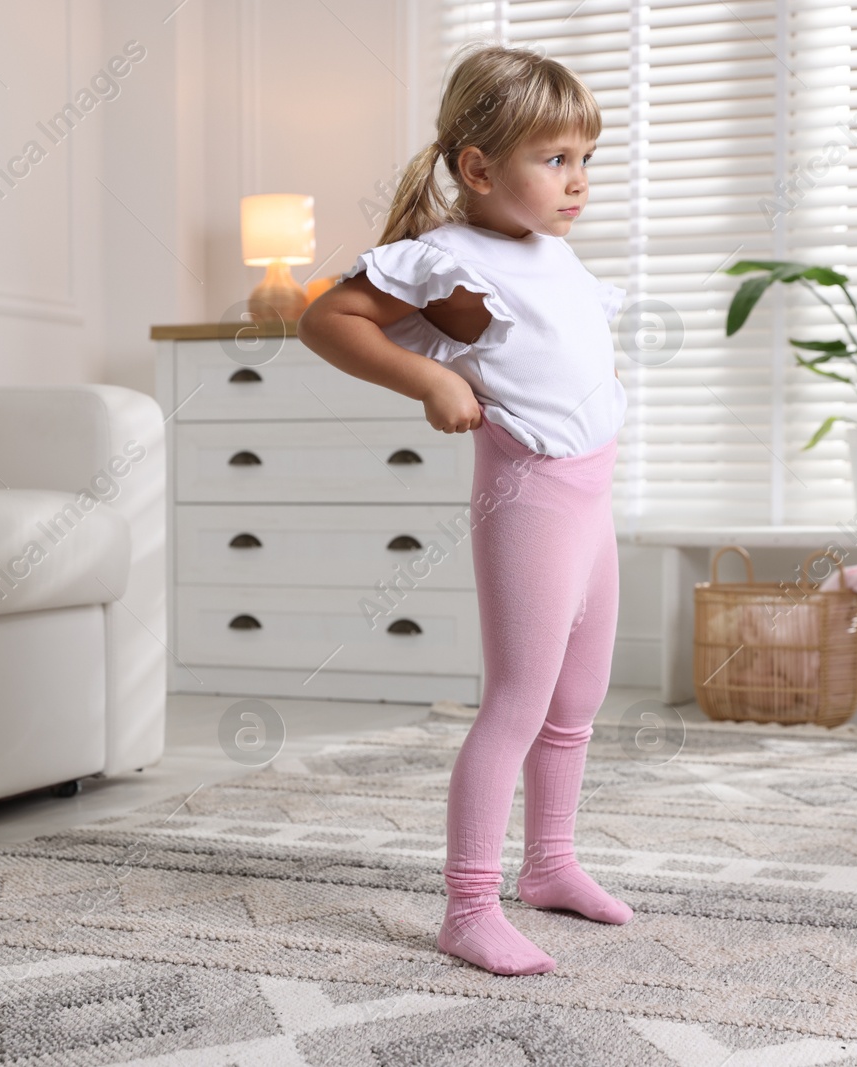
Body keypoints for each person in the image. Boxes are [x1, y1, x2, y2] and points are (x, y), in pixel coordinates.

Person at [296, 41, 631, 976]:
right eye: (555, 160)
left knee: (579, 699)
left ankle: (552, 864)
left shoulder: (549, 252)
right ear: (480, 167)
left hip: (590, 496)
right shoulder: (447, 257)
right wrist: (426, 383)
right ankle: (469, 904)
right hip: (531, 491)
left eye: (586, 160)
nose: (578, 182)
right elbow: (327, 318)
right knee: (519, 701)